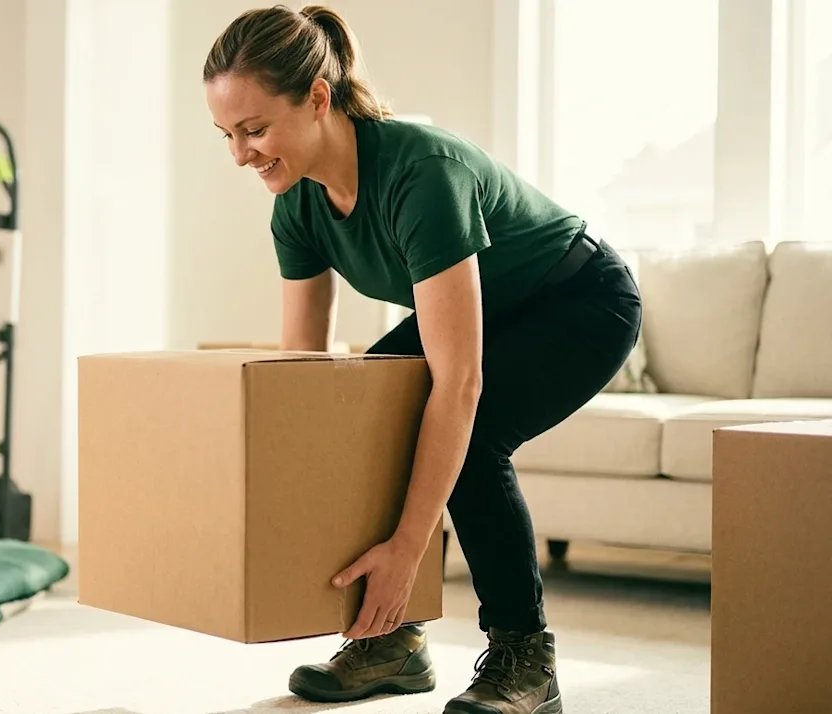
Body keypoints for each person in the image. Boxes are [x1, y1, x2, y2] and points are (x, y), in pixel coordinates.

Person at [202, 5, 642, 714]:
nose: (241, 154)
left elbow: (460, 382)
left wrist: (410, 547)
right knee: (360, 409)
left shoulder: (421, 171)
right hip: (499, 307)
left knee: (475, 438)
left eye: (254, 129)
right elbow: (305, 383)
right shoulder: (296, 208)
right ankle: (392, 641)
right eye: (227, 134)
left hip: (580, 301)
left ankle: (525, 655)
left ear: (318, 97)